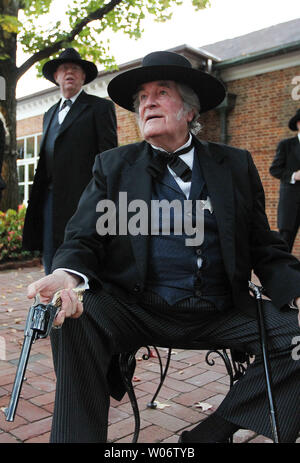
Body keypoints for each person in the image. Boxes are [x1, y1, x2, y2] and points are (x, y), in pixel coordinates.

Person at [27, 51, 300, 443]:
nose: (147, 102)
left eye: (161, 92)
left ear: (190, 111)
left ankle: (213, 431)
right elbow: (83, 237)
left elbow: (264, 245)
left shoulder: (235, 165)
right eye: (141, 97)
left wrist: (296, 291)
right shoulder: (113, 166)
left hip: (220, 309)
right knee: (74, 319)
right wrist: (68, 273)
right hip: (136, 308)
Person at [22, 48, 118, 274]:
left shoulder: (99, 108)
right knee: (51, 256)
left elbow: (108, 155)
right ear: (56, 77)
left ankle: (83, 304)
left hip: (83, 198)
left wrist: (104, 196)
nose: (69, 73)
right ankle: (52, 304)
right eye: (64, 69)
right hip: (49, 199)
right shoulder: (49, 114)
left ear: (83, 77)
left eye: (75, 69)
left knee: (79, 257)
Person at [270, 109, 300, 252]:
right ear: (299, 124)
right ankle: (282, 273)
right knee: (285, 243)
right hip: (291, 203)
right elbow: (274, 169)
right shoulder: (286, 145)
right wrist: (294, 175)